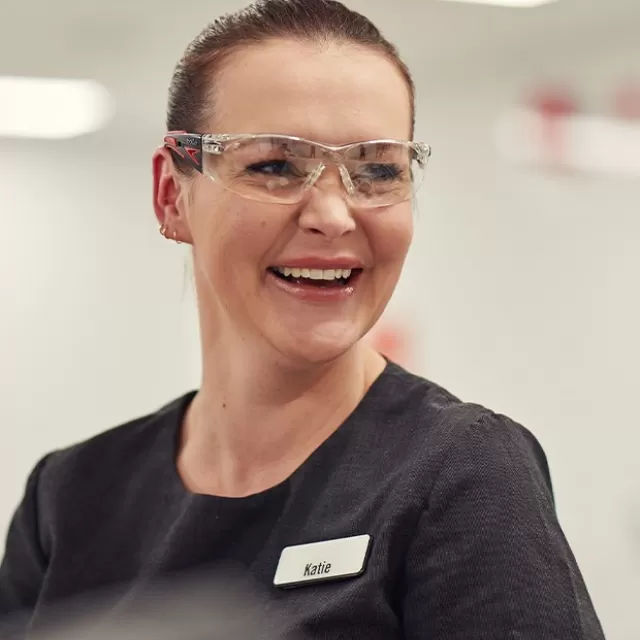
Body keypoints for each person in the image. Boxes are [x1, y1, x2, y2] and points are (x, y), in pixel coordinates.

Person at [0, 0, 605, 638]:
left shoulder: (461, 477)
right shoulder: (70, 497)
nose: (335, 215)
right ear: (172, 195)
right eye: (274, 166)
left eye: (376, 171)